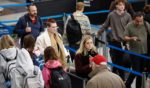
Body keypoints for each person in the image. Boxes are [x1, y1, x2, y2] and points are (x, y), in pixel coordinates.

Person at [97, 0, 132, 81]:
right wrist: (99, 33)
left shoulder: (128, 15)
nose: (122, 6)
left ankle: (116, 76)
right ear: (116, 6)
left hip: (124, 42)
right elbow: (105, 25)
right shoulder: (111, 15)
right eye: (120, 5)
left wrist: (130, 41)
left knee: (121, 61)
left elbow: (130, 28)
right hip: (114, 41)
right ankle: (120, 78)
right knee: (116, 60)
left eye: (123, 5)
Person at [124, 12, 150, 88]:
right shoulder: (129, 25)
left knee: (141, 72)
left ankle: (138, 86)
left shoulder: (146, 24)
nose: (139, 23)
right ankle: (127, 84)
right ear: (133, 19)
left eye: (141, 21)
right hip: (134, 52)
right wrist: (131, 38)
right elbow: (125, 37)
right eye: (137, 21)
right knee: (136, 70)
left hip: (145, 52)